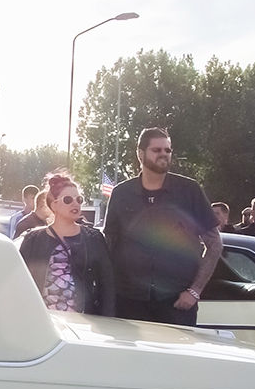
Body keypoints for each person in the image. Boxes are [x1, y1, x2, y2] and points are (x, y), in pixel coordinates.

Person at [103, 127, 221, 325]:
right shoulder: (121, 193)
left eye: (168, 150)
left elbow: (215, 244)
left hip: (176, 303)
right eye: (157, 150)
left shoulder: (189, 191)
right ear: (141, 154)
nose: (164, 154)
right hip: (129, 302)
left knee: (174, 357)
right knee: (132, 357)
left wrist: (195, 291)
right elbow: (109, 244)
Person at [18, 172, 115, 316]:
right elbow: (20, 285)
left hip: (82, 324)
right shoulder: (33, 239)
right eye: (68, 199)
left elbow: (107, 286)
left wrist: (106, 321)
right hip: (43, 321)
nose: (76, 203)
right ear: (54, 205)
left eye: (79, 199)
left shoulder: (94, 238)